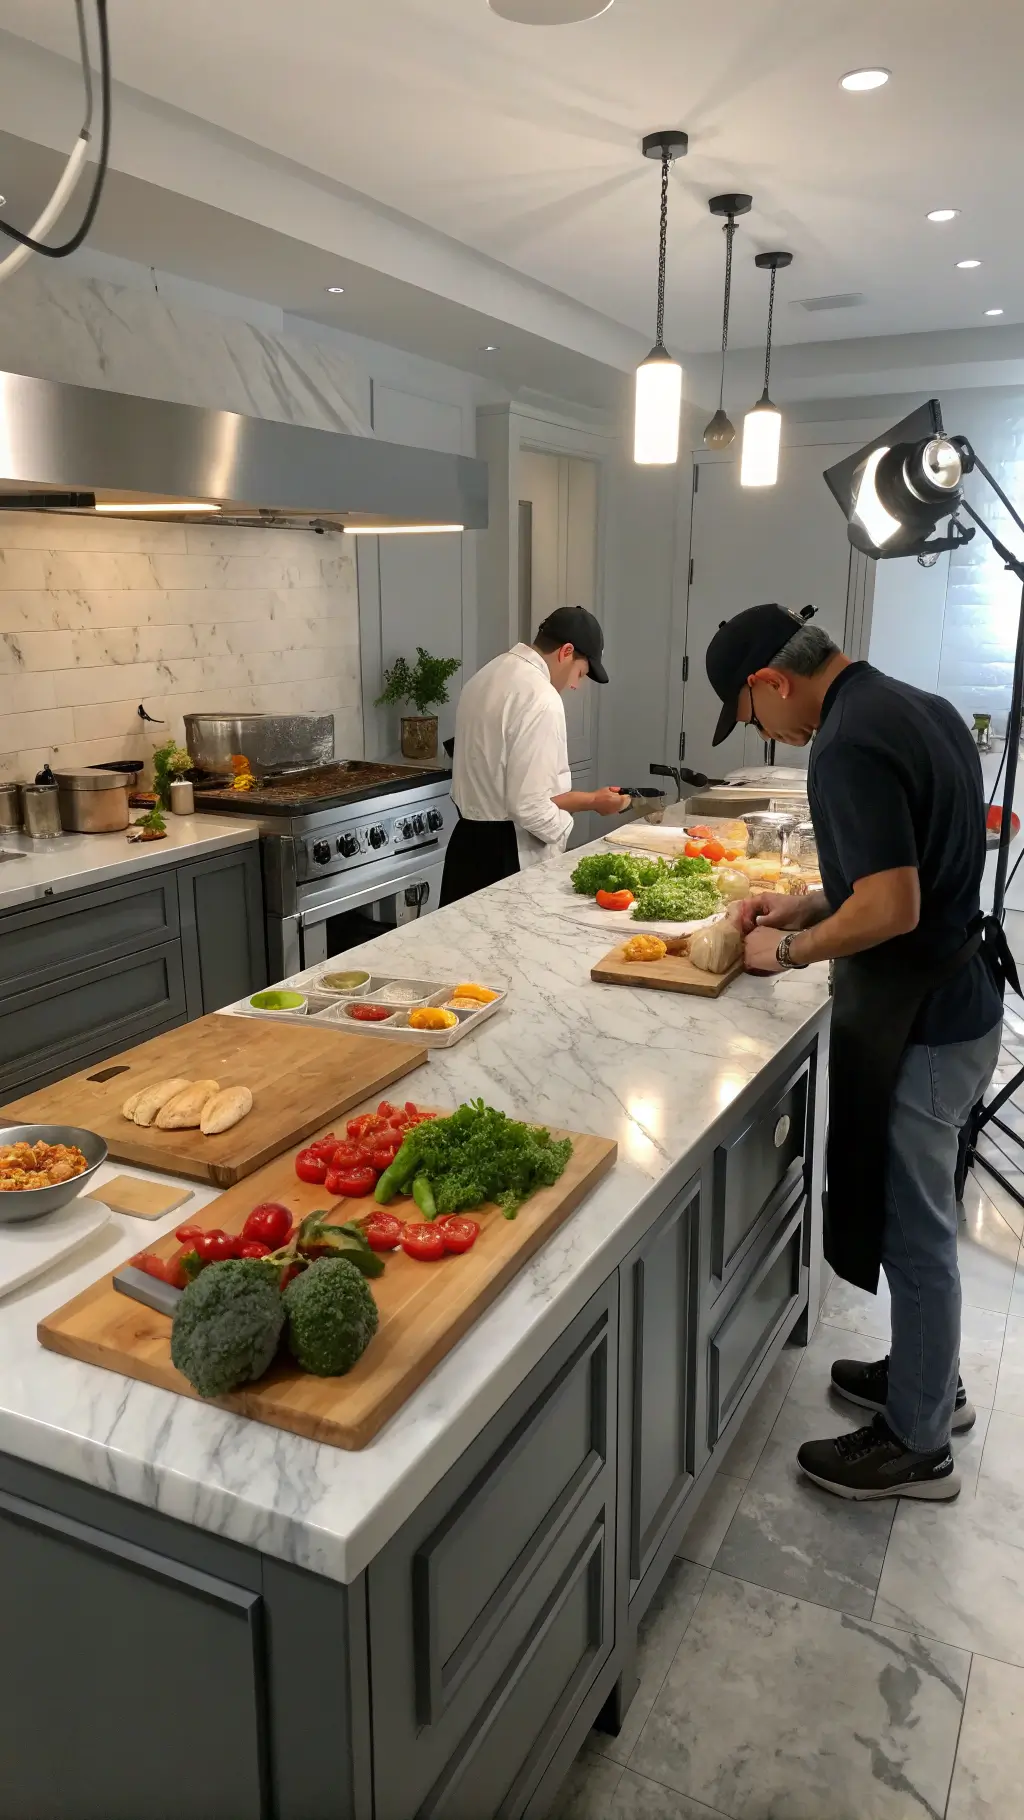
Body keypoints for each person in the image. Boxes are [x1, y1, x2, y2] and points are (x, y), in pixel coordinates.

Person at [705, 603, 1016, 1501]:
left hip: (922, 1020)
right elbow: (897, 870)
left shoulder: (843, 743)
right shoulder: (914, 704)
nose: (766, 733)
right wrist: (807, 901)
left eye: (751, 715)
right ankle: (930, 1382)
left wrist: (790, 950)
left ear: (770, 680)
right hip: (962, 1000)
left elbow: (893, 908)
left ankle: (919, 1447)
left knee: (917, 1231)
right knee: (925, 1220)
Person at [440, 606, 627, 906]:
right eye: (580, 672)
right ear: (566, 651)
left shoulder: (483, 677)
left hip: (464, 848)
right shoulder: (541, 697)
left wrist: (590, 801)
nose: (575, 684)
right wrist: (565, 830)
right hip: (506, 859)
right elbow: (530, 806)